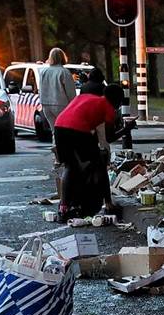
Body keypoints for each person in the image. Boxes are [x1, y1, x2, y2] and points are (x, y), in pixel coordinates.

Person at [54, 82, 126, 219]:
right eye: (119, 103)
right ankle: (108, 203)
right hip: (78, 129)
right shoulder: (108, 108)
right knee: (100, 162)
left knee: (70, 166)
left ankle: (63, 206)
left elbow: (81, 116)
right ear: (116, 100)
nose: (118, 107)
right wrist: (126, 129)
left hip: (59, 126)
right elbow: (110, 137)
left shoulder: (85, 97)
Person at [36, 47, 76, 127]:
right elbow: (70, 92)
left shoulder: (43, 72)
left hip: (46, 105)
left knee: (54, 130)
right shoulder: (64, 72)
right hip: (61, 105)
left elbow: (41, 90)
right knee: (63, 129)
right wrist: (73, 105)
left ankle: (55, 140)